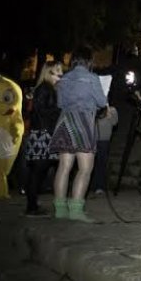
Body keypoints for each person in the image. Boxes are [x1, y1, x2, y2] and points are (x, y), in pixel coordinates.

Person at [48, 47, 108, 221]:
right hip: (83, 123)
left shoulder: (64, 79)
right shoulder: (92, 78)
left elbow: (60, 103)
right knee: (85, 168)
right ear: (89, 61)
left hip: (65, 121)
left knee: (64, 167)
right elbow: (102, 102)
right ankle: (76, 211)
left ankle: (60, 210)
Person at [23, 61, 63, 217]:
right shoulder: (44, 89)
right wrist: (60, 109)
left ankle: (32, 205)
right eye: (57, 70)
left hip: (43, 133)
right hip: (43, 135)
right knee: (38, 171)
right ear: (49, 72)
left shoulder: (47, 89)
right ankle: (31, 208)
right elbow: (42, 111)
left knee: (39, 171)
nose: (61, 73)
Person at [90, 102, 118, 195]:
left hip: (104, 141)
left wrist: (109, 113)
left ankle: (100, 186)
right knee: (90, 164)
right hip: (92, 141)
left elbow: (114, 122)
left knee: (101, 164)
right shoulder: (94, 108)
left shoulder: (112, 109)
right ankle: (91, 186)